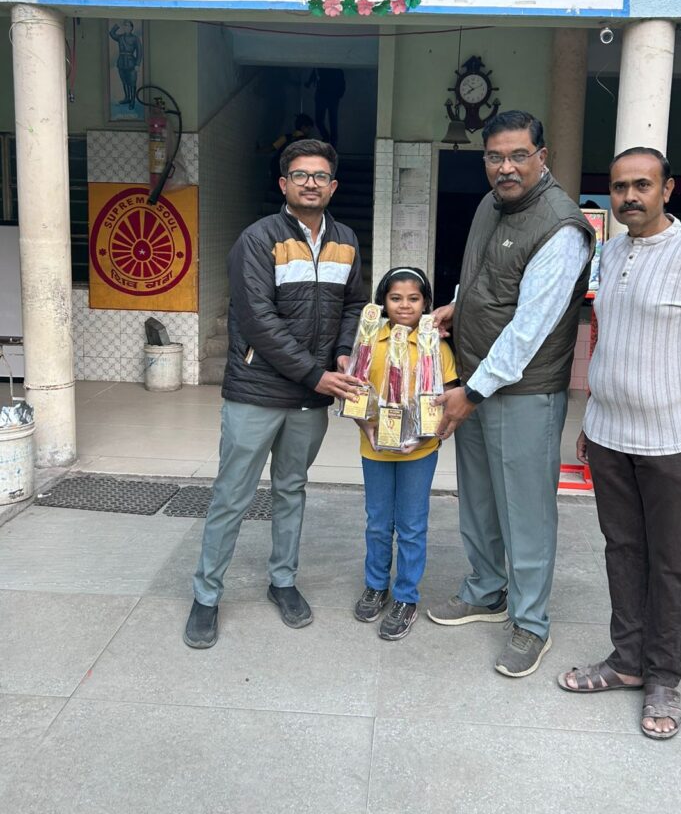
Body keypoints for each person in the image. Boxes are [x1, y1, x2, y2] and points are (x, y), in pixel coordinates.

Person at [558, 147, 681, 741]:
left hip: (675, 442)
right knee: (622, 550)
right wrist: (592, 417)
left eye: (642, 185)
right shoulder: (611, 252)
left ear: (667, 190)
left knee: (669, 562)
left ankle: (663, 677)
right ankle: (627, 661)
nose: (629, 196)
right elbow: (610, 339)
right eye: (619, 187)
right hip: (611, 437)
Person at [427, 110, 595, 678]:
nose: (507, 167)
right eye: (496, 157)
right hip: (475, 378)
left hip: (523, 391)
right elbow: (482, 273)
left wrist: (470, 391)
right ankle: (486, 590)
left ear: (541, 157)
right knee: (478, 497)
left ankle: (530, 623)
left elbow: (531, 326)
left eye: (519, 155)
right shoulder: (489, 204)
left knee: (525, 512)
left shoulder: (562, 227)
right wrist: (458, 305)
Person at [184, 139, 367, 648]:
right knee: (232, 495)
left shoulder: (346, 240)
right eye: (301, 175)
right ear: (284, 184)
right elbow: (258, 321)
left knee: (291, 490)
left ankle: (282, 581)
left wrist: (344, 353)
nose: (311, 183)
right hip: (257, 391)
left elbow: (354, 304)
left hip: (309, 397)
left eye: (320, 176)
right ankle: (206, 595)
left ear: (333, 186)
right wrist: (315, 375)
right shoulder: (258, 239)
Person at [353, 267, 458, 641]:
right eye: (395, 298)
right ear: (383, 302)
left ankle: (406, 597)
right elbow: (355, 393)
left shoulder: (436, 346)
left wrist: (430, 433)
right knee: (378, 522)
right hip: (375, 449)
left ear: (426, 303)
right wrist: (365, 425)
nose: (404, 305)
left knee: (412, 526)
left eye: (413, 299)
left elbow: (449, 397)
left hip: (420, 452)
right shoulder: (370, 341)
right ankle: (376, 585)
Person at [307, 68, 346, 150]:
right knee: (329, 122)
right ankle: (330, 141)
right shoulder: (334, 69)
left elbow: (342, 84)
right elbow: (342, 84)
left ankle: (329, 140)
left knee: (330, 122)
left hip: (327, 96)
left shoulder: (333, 69)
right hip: (327, 96)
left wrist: (309, 83)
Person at [270, 113, 315, 182]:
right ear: (303, 127)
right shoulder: (307, 142)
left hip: (277, 169)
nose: (309, 131)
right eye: (308, 128)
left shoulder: (286, 137)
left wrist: (257, 150)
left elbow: (272, 148)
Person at [109, 20, 142, 110]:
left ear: (131, 28)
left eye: (127, 26)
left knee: (132, 82)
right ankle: (127, 98)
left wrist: (137, 64)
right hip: (121, 62)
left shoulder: (135, 38)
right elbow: (112, 34)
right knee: (124, 81)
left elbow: (139, 51)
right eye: (124, 26)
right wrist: (117, 25)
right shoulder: (120, 37)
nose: (126, 27)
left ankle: (132, 100)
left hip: (131, 63)